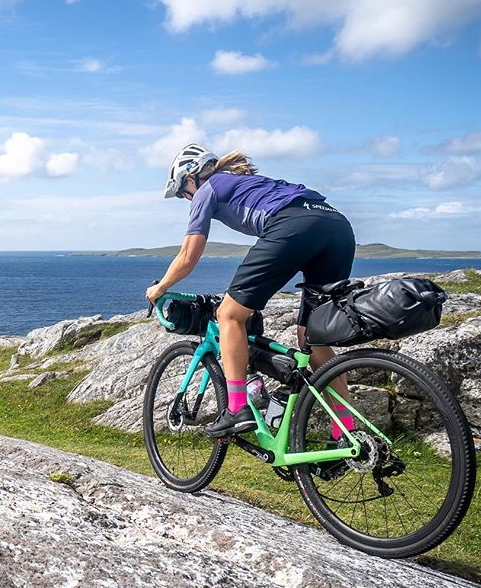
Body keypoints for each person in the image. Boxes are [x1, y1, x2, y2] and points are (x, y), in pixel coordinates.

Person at [145, 143, 356, 439]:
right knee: (311, 337)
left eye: (183, 192)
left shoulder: (208, 190)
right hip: (337, 226)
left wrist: (161, 287)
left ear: (190, 178)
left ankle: (236, 409)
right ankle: (346, 430)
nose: (186, 199)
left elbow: (188, 256)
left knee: (229, 315)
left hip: (293, 225)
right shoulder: (243, 181)